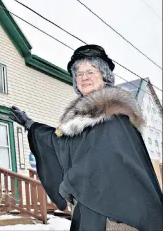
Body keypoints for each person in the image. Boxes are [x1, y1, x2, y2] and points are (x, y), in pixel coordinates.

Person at [9, 45, 163, 231]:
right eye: (79, 74)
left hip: (117, 217)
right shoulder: (82, 121)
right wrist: (31, 125)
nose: (84, 77)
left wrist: (70, 182)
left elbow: (103, 160)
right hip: (88, 210)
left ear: (104, 75)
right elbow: (61, 142)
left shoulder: (115, 115)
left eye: (90, 71)